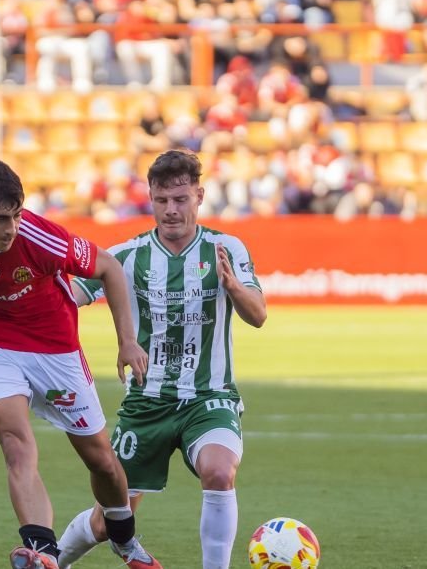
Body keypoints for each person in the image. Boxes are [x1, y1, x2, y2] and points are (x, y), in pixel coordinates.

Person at [0, 158, 162, 569]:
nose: (11, 228)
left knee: (101, 459)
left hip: (55, 348)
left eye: (16, 215)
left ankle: (124, 538)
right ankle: (43, 551)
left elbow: (109, 268)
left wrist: (127, 342)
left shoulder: (42, 239)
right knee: (16, 442)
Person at [56, 150, 268, 569]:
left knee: (220, 472)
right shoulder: (126, 255)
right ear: (150, 198)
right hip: (146, 404)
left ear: (199, 196)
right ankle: (52, 560)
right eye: (162, 200)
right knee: (107, 523)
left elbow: (258, 315)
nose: (171, 210)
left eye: (181, 199)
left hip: (209, 396)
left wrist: (233, 287)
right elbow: (68, 298)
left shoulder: (226, 247)